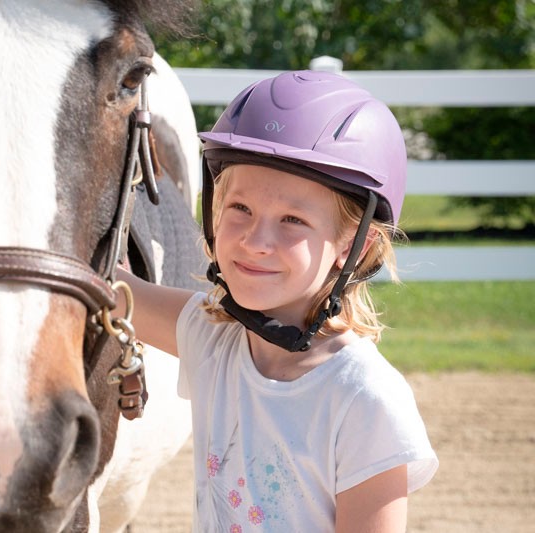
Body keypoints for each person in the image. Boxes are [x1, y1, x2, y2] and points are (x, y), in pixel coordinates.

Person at [115, 70, 438, 532]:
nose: (255, 241)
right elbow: (112, 290)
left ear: (353, 247)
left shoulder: (365, 401)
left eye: (291, 220)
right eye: (240, 209)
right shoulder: (214, 340)